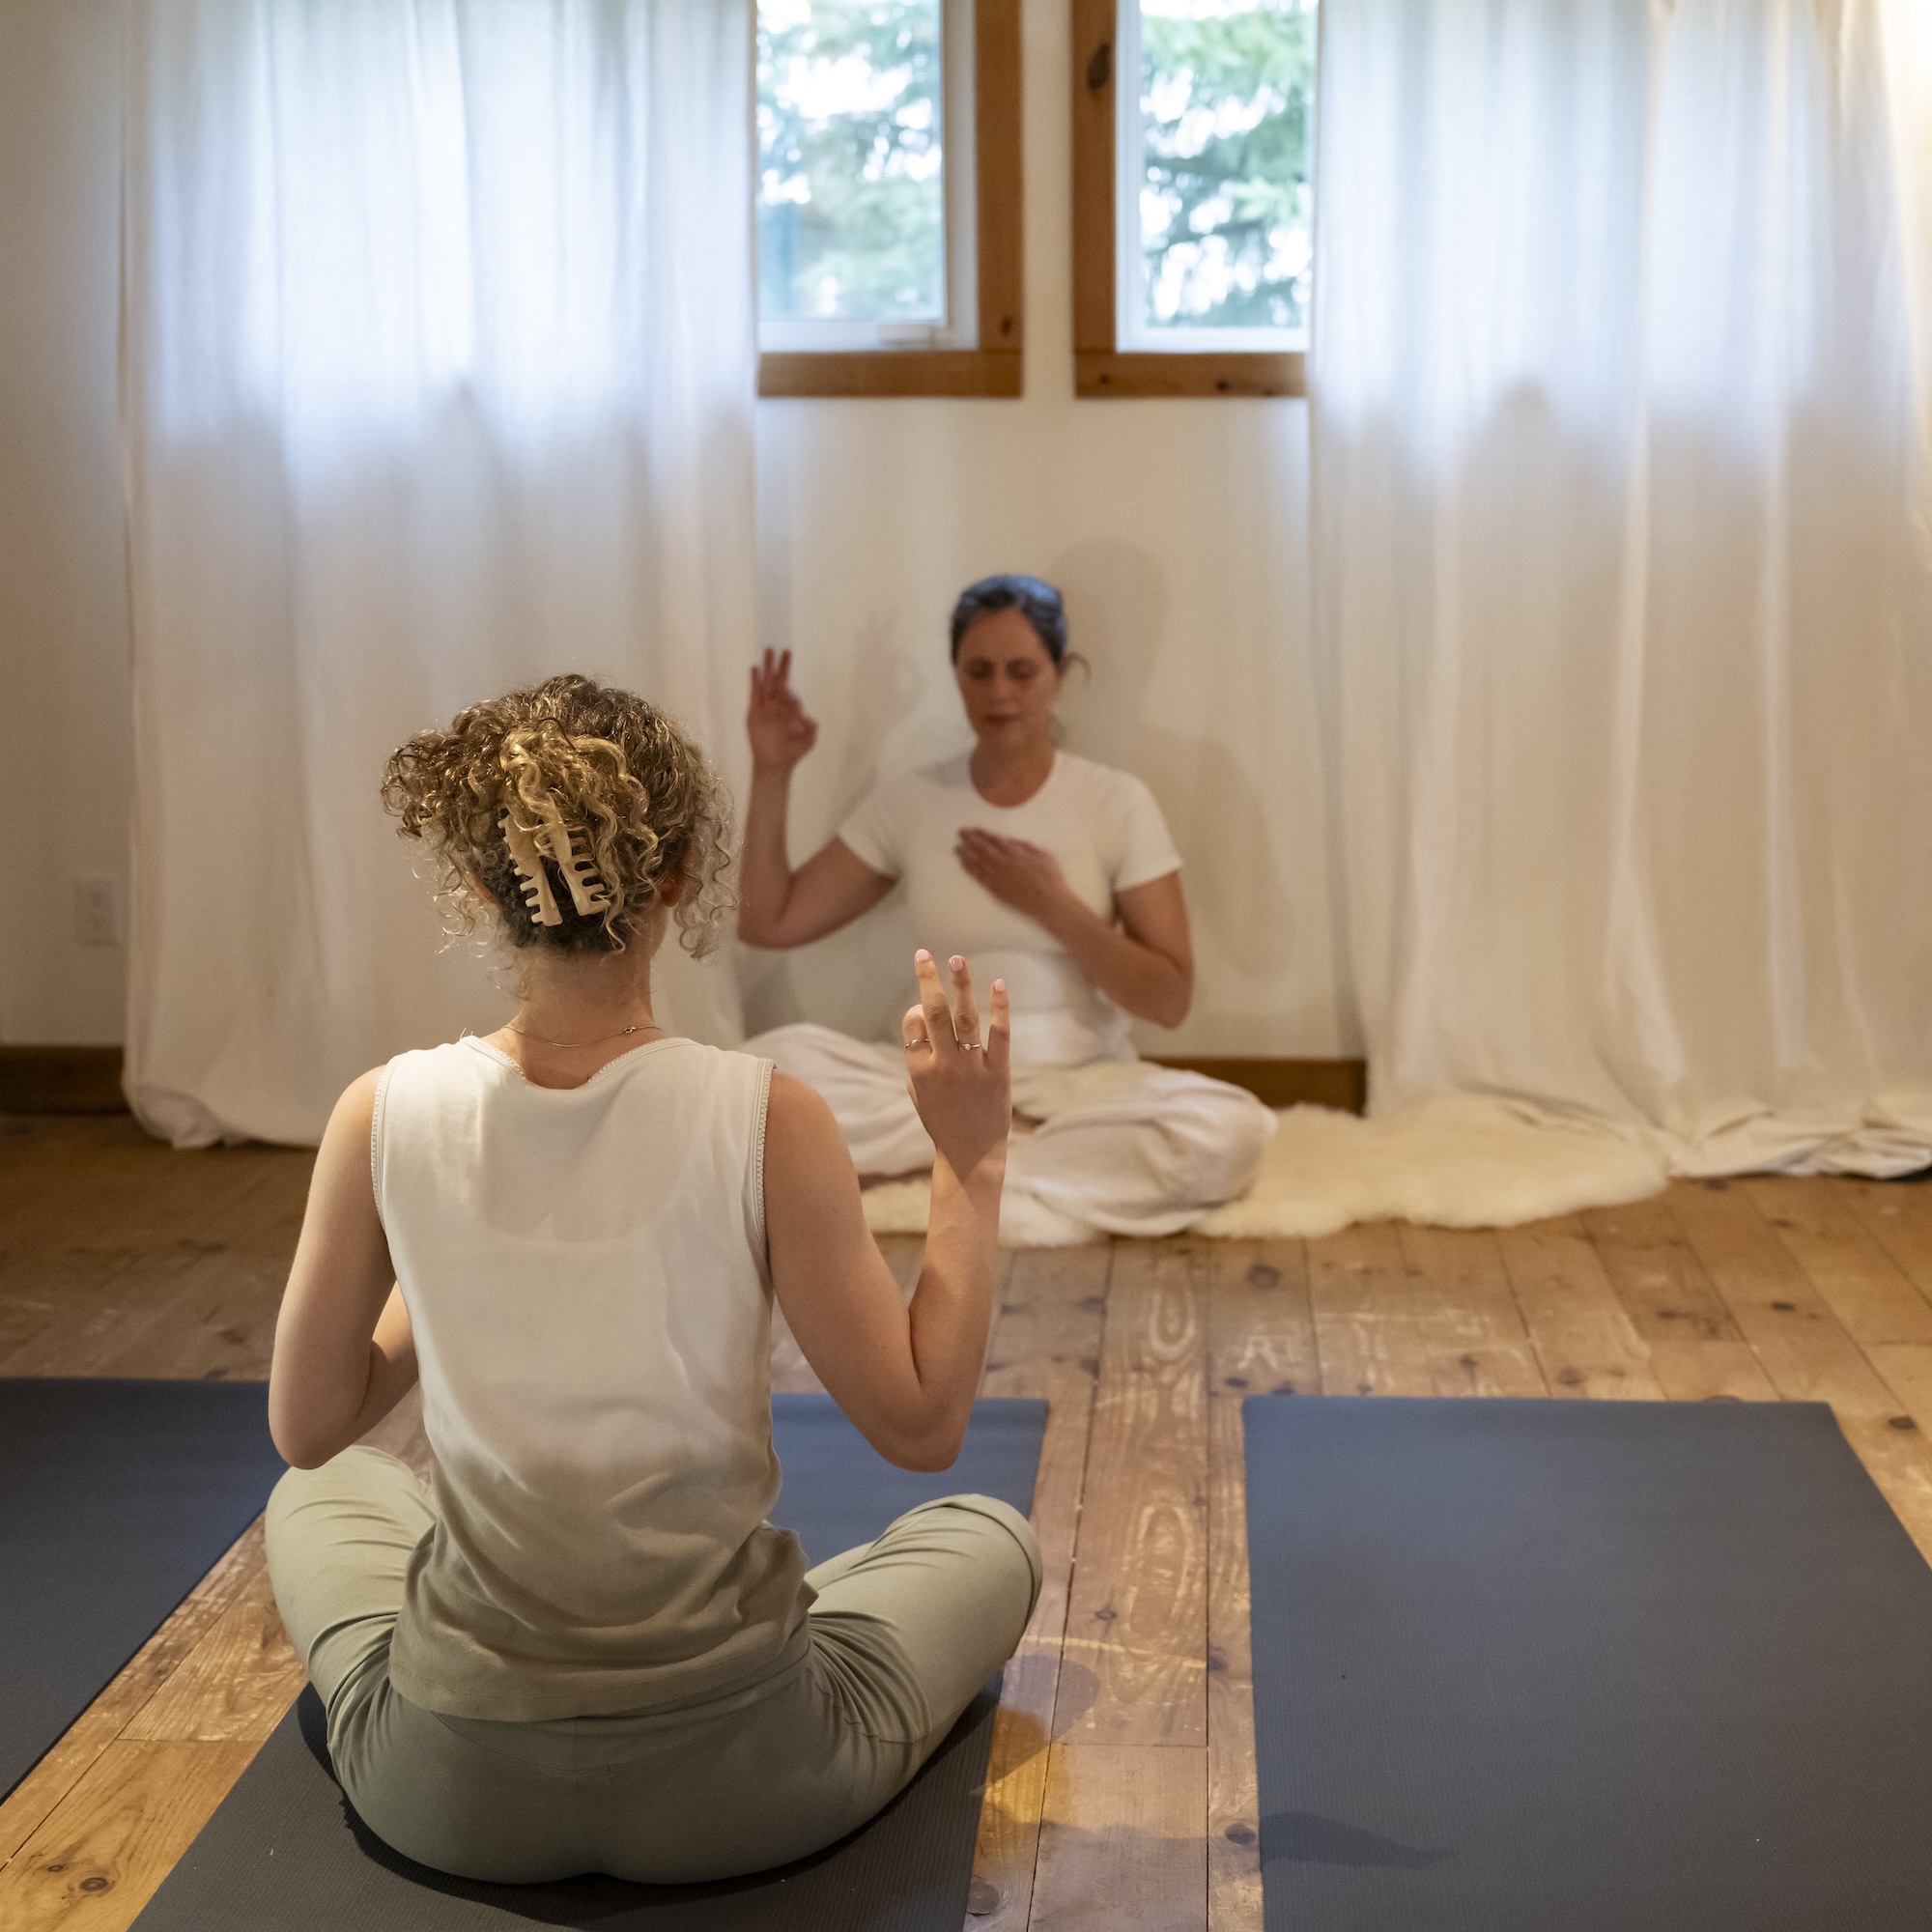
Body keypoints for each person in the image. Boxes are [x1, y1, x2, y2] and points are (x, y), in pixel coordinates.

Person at [264, 674, 1039, 1885]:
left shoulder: (382, 1111)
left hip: (452, 1790)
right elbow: (925, 1423)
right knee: (987, 1531)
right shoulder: (767, 1116)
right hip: (741, 1783)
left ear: (478, 886)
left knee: (317, 1499)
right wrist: (967, 1158)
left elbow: (308, 1429)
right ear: (679, 872)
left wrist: (455, 1242)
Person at [739, 573, 1275, 1240]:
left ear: (1060, 674)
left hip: (1075, 1091)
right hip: (935, 1083)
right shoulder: (913, 801)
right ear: (958, 676)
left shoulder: (1116, 801)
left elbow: (1168, 998)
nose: (1000, 692)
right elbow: (771, 920)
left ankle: (966, 1157)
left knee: (1227, 1133)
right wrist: (772, 771)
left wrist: (1055, 906)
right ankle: (998, 1154)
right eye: (980, 671)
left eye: (1022, 671)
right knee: (763, 1082)